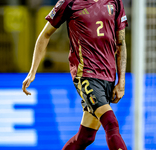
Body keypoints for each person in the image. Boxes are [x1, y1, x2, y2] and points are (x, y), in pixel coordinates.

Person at [22, 0, 128, 149]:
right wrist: (32, 71)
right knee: (111, 123)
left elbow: (121, 43)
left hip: (108, 77)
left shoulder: (115, 2)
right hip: (86, 74)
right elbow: (45, 35)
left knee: (86, 137)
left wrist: (121, 81)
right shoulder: (69, 2)